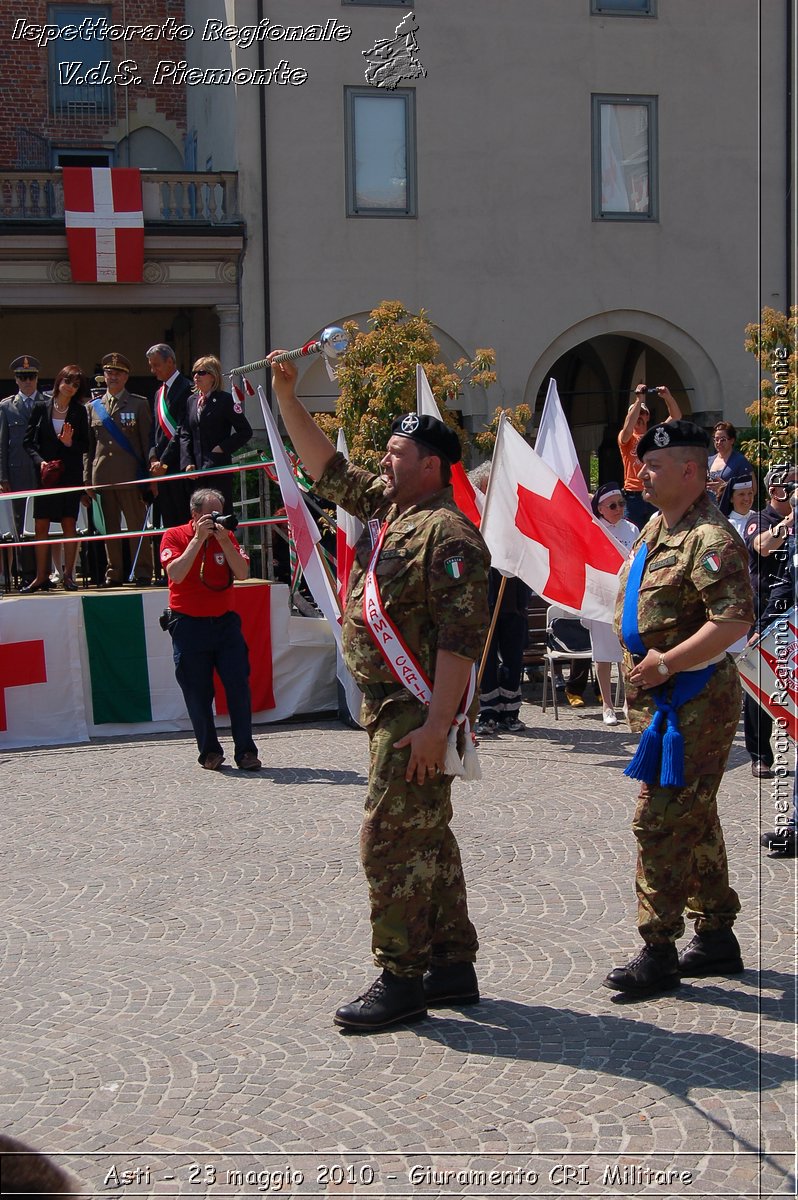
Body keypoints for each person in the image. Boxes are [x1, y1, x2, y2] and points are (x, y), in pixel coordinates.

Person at [269, 352, 490, 1031]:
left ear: (432, 465)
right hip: (392, 709)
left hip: (418, 712)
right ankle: (452, 964)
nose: (385, 463)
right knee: (428, 836)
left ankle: (401, 978)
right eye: (387, 453)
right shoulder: (393, 509)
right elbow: (323, 467)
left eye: (398, 454)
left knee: (390, 840)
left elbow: (460, 642)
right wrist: (286, 394)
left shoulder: (447, 534)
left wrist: (435, 726)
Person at [604, 420, 753, 998]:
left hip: (691, 702)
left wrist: (666, 664)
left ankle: (658, 947)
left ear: (690, 471)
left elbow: (734, 622)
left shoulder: (709, 538)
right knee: (695, 814)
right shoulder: (656, 531)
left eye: (656, 466)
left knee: (660, 819)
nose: (642, 473)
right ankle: (716, 934)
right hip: (659, 701)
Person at [160, 487, 261, 773]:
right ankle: (210, 752)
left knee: (238, 687)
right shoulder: (175, 535)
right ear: (194, 515)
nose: (216, 519)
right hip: (188, 623)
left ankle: (246, 752)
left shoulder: (226, 536)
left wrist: (224, 539)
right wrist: (197, 540)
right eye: (210, 514)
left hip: (225, 623)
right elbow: (176, 574)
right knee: (197, 692)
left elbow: (241, 573)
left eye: (220, 512)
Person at [742, 464, 797, 779]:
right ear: (774, 490)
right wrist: (790, 521)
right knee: (760, 683)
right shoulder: (761, 519)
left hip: (794, 607)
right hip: (767, 610)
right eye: (789, 483)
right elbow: (762, 546)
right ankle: (760, 755)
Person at [84, 352, 153, 587]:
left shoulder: (138, 403)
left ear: (126, 377)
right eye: (108, 372)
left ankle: (143, 571)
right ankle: (113, 572)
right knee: (109, 530)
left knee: (136, 526)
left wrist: (149, 478)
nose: (112, 377)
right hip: (102, 476)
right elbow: (89, 448)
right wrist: (87, 480)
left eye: (117, 373)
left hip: (130, 477)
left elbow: (146, 443)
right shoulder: (93, 407)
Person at [21, 364, 91, 592]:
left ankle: (69, 576)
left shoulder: (80, 412)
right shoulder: (41, 407)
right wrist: (40, 461)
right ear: (59, 381)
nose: (70, 387)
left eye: (76, 384)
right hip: (45, 475)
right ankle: (41, 576)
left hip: (69, 474)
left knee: (69, 522)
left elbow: (85, 445)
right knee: (41, 524)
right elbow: (28, 442)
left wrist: (70, 443)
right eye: (67, 381)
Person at [586, 482, 639, 725]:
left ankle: (628, 701)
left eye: (621, 504)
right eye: (612, 505)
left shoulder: (632, 529)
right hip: (602, 599)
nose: (618, 509)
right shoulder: (594, 529)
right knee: (604, 654)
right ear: (601, 508)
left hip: (625, 598)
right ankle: (607, 704)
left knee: (625, 654)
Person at [180, 355, 253, 517]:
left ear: (213, 376)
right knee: (198, 515)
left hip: (217, 468)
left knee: (219, 515)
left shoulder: (225, 400)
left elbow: (245, 431)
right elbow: (185, 433)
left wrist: (222, 448)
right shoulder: (191, 401)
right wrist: (187, 461)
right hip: (196, 472)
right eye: (194, 373)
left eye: (201, 372)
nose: (196, 377)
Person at [0, 354, 46, 586]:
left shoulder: (48, 402)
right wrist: (3, 477)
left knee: (44, 522)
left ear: (37, 378)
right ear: (16, 380)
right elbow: (2, 444)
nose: (27, 381)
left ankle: (44, 574)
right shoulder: (7, 407)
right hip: (17, 473)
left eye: (31, 376)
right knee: (21, 526)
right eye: (22, 377)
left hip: (43, 473)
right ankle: (26, 574)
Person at [617, 383, 682, 529]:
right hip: (633, 496)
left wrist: (668, 397)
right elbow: (627, 430)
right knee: (633, 535)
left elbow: (676, 417)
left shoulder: (655, 435)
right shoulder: (626, 437)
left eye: (642, 413)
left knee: (657, 532)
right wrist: (639, 401)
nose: (639, 416)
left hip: (654, 491)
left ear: (648, 416)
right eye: (636, 413)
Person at [146, 342, 194, 529]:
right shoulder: (159, 393)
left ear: (170, 362)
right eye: (151, 365)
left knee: (183, 522)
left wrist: (164, 462)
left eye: (156, 365)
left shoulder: (188, 388)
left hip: (178, 467)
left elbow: (181, 430)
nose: (152, 370)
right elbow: (154, 431)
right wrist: (152, 458)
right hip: (160, 469)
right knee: (168, 525)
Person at [706, 421, 757, 516]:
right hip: (709, 512)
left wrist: (725, 487)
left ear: (732, 440)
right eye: (716, 439)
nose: (719, 442)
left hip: (730, 514)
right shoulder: (708, 461)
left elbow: (753, 489)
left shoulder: (740, 461)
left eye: (723, 439)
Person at [726, 474, 756, 540]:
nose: (747, 498)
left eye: (750, 493)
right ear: (731, 498)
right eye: (741, 494)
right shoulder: (727, 523)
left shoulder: (759, 517)